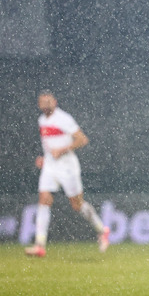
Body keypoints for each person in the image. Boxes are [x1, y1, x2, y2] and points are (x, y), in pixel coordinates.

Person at [24, 91, 109, 257]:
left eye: (48, 101)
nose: (46, 104)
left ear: (55, 102)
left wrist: (62, 151)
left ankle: (102, 230)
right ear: (39, 105)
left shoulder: (64, 119)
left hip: (68, 167)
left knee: (77, 205)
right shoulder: (41, 121)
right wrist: (44, 158)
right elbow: (50, 146)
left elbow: (82, 139)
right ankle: (40, 245)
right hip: (50, 167)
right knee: (44, 199)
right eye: (42, 102)